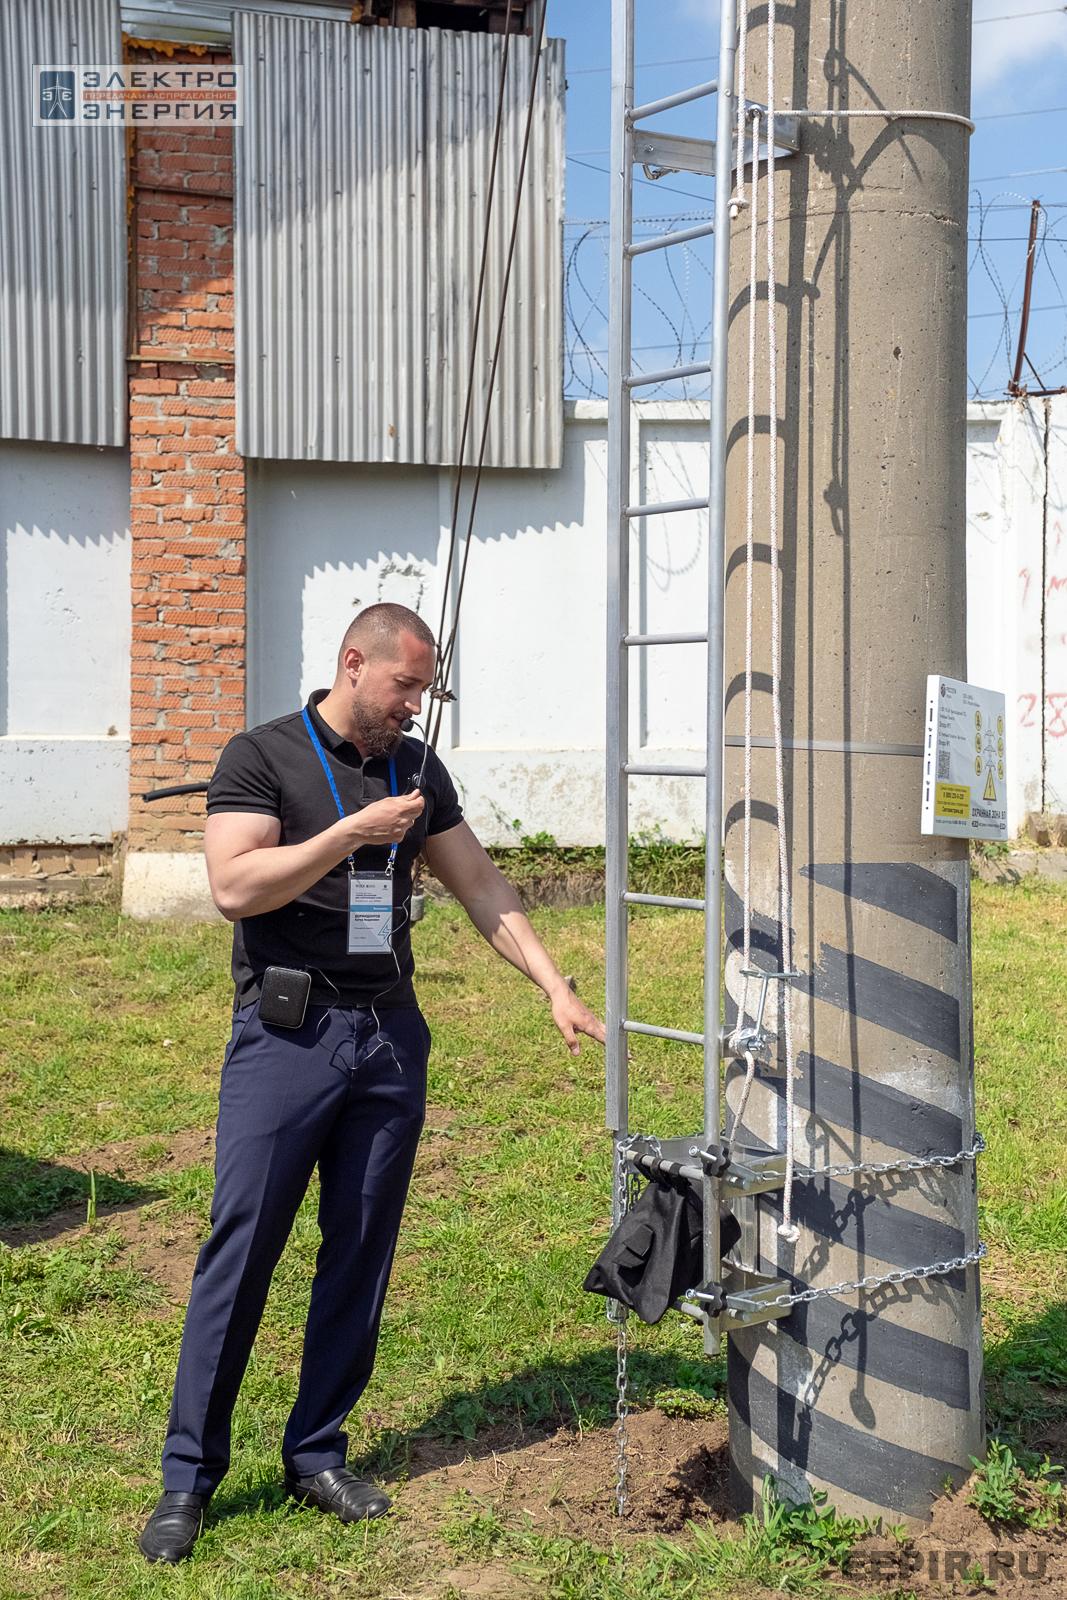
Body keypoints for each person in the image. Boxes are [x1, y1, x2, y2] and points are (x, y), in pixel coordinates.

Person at [138, 602, 605, 1564]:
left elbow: (479, 883)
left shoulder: (416, 766)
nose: (414, 705)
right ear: (355, 664)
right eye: (405, 686)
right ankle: (189, 1479)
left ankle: (316, 1453)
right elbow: (236, 886)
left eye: (423, 690)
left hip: (387, 1036)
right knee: (243, 1248)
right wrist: (350, 835)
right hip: (286, 1035)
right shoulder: (261, 755)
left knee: (359, 1251)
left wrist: (553, 984)